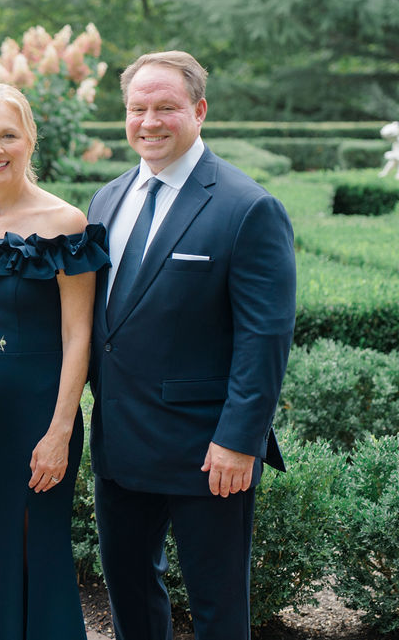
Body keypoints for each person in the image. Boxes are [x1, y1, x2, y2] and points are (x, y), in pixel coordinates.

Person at [87, 51, 295, 640]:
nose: (149, 121)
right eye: (138, 108)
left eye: (166, 108)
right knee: (129, 597)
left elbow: (264, 337)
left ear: (199, 111)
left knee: (218, 607)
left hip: (208, 451)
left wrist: (239, 441)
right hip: (119, 444)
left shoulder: (247, 207)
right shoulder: (107, 199)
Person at [0, 83, 108, 640]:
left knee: (39, 546)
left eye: (8, 135)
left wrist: (60, 430)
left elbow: (78, 334)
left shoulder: (65, 223)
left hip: (41, 414)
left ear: (29, 140)